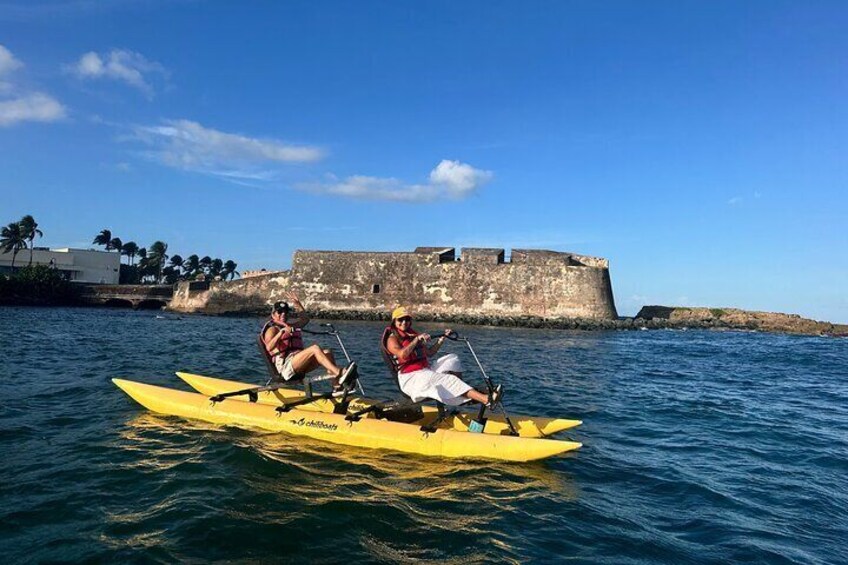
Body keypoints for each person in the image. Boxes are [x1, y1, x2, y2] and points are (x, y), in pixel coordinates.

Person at [383, 306, 502, 407]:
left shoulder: (412, 334)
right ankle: (486, 399)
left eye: (407, 319)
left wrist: (442, 339)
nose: (404, 322)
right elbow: (402, 355)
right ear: (394, 321)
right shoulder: (392, 339)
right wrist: (416, 340)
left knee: (452, 359)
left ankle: (458, 394)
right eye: (401, 319)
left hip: (424, 371)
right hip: (410, 379)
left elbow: (430, 353)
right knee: (449, 380)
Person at [262, 292, 357, 390]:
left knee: (328, 352)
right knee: (315, 348)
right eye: (280, 312)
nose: (283, 314)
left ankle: (336, 386)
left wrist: (297, 304)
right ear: (273, 315)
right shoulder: (272, 330)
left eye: (286, 312)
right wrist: (281, 333)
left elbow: (305, 319)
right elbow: (269, 347)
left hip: (299, 364)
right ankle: (339, 373)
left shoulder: (291, 327)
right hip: (285, 367)